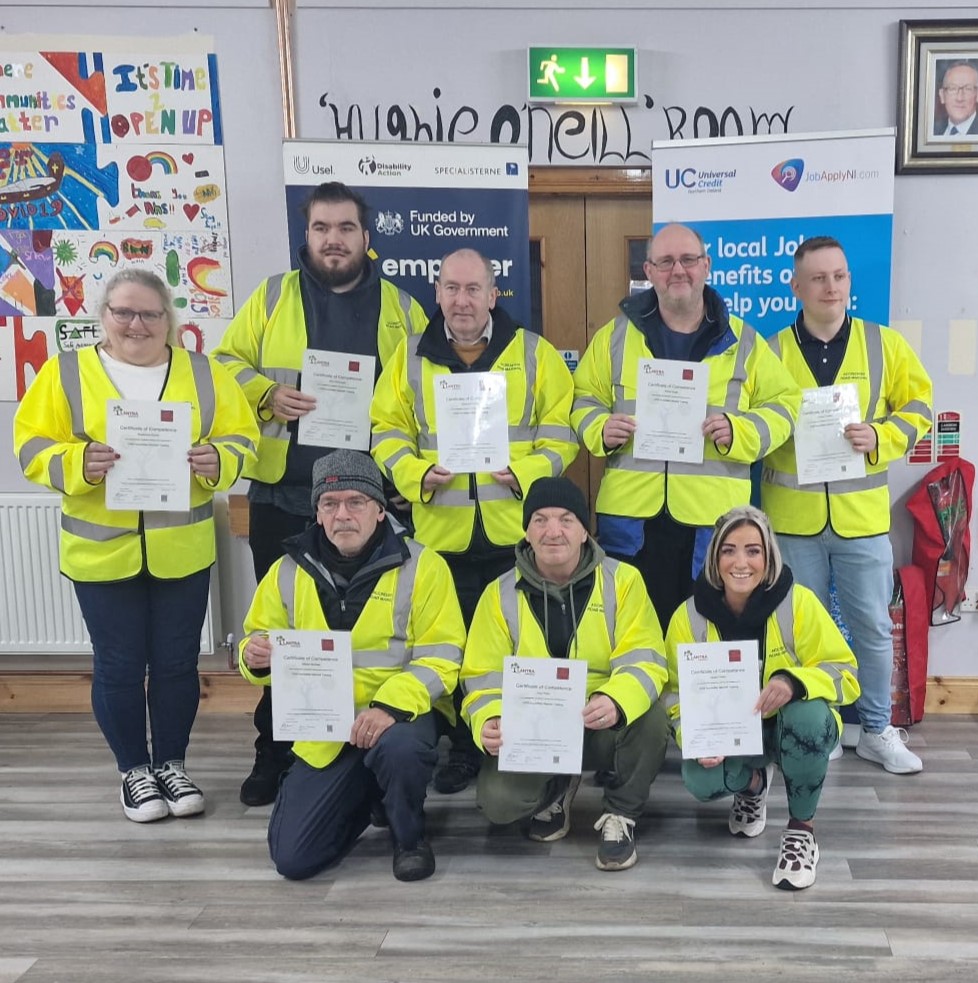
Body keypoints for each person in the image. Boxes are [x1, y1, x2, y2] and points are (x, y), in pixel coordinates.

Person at [14, 269, 258, 823]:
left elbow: (242, 437)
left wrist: (221, 460)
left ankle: (172, 763)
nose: (136, 324)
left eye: (149, 313)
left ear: (168, 320)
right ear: (102, 316)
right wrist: (78, 463)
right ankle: (134, 771)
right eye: (123, 312)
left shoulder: (203, 372)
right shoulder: (66, 373)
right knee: (119, 666)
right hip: (101, 552)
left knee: (176, 665)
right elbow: (30, 445)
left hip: (182, 549)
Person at [213, 181, 428, 806]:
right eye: (321, 228)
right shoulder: (272, 296)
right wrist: (266, 393)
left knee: (367, 632)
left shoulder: (401, 307)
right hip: (285, 493)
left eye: (346, 228)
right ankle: (275, 751)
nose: (333, 239)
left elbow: (421, 389)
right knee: (286, 631)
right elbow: (224, 362)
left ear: (367, 237)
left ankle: (364, 745)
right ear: (305, 235)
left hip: (370, 500)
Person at [371, 248, 578, 794]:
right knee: (456, 648)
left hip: (516, 534)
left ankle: (524, 742)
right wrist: (416, 473)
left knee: (512, 646)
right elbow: (385, 432)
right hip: (442, 536)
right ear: (436, 294)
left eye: (473, 289)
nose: (461, 300)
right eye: (451, 288)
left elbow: (564, 431)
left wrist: (527, 471)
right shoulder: (408, 357)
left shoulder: (535, 354)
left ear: (493, 295)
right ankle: (464, 749)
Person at [239, 449, 466, 882]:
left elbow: (444, 657)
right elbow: (256, 639)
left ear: (379, 510)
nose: (342, 513)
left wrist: (387, 708)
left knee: (398, 750)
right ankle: (368, 793)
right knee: (293, 859)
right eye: (330, 503)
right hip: (323, 729)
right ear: (318, 514)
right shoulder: (287, 570)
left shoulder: (424, 567)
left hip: (398, 718)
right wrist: (254, 657)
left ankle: (409, 835)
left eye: (355, 502)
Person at [572, 223, 800, 632]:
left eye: (688, 260)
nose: (678, 270)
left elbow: (785, 406)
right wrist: (599, 430)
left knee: (705, 638)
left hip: (711, 523)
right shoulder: (615, 337)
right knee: (629, 631)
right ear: (649, 270)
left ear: (706, 266)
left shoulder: (742, 340)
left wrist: (739, 431)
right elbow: (582, 399)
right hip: (631, 520)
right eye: (665, 262)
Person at [761, 236, 933, 773]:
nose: (830, 286)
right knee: (801, 632)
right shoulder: (770, 351)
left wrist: (880, 436)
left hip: (860, 520)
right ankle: (825, 723)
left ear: (849, 282)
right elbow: (752, 422)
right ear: (796, 286)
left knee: (872, 629)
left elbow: (921, 404)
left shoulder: (884, 345)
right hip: (793, 521)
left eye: (839, 276)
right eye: (817, 277)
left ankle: (878, 729)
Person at [460, 477, 669, 871]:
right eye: (539, 519)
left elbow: (646, 659)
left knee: (652, 717)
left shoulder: (623, 581)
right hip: (533, 731)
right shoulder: (498, 593)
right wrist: (486, 720)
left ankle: (620, 814)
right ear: (526, 529)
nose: (552, 531)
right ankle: (557, 785)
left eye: (566, 519)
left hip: (600, 721)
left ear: (585, 530)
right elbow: (481, 675)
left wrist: (616, 699)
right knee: (499, 805)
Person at [665, 505, 859, 890]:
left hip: (791, 728)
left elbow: (847, 674)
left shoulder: (798, 602)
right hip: (733, 737)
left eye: (753, 550)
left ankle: (802, 829)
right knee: (699, 780)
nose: (741, 562)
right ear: (714, 557)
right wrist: (693, 736)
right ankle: (754, 786)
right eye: (729, 550)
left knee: (808, 718)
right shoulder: (688, 617)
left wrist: (794, 682)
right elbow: (674, 695)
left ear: (768, 556)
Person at [934, 61, 978, 138]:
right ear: (942, 96)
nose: (959, 98)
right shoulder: (932, 131)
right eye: (952, 88)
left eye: (968, 89)